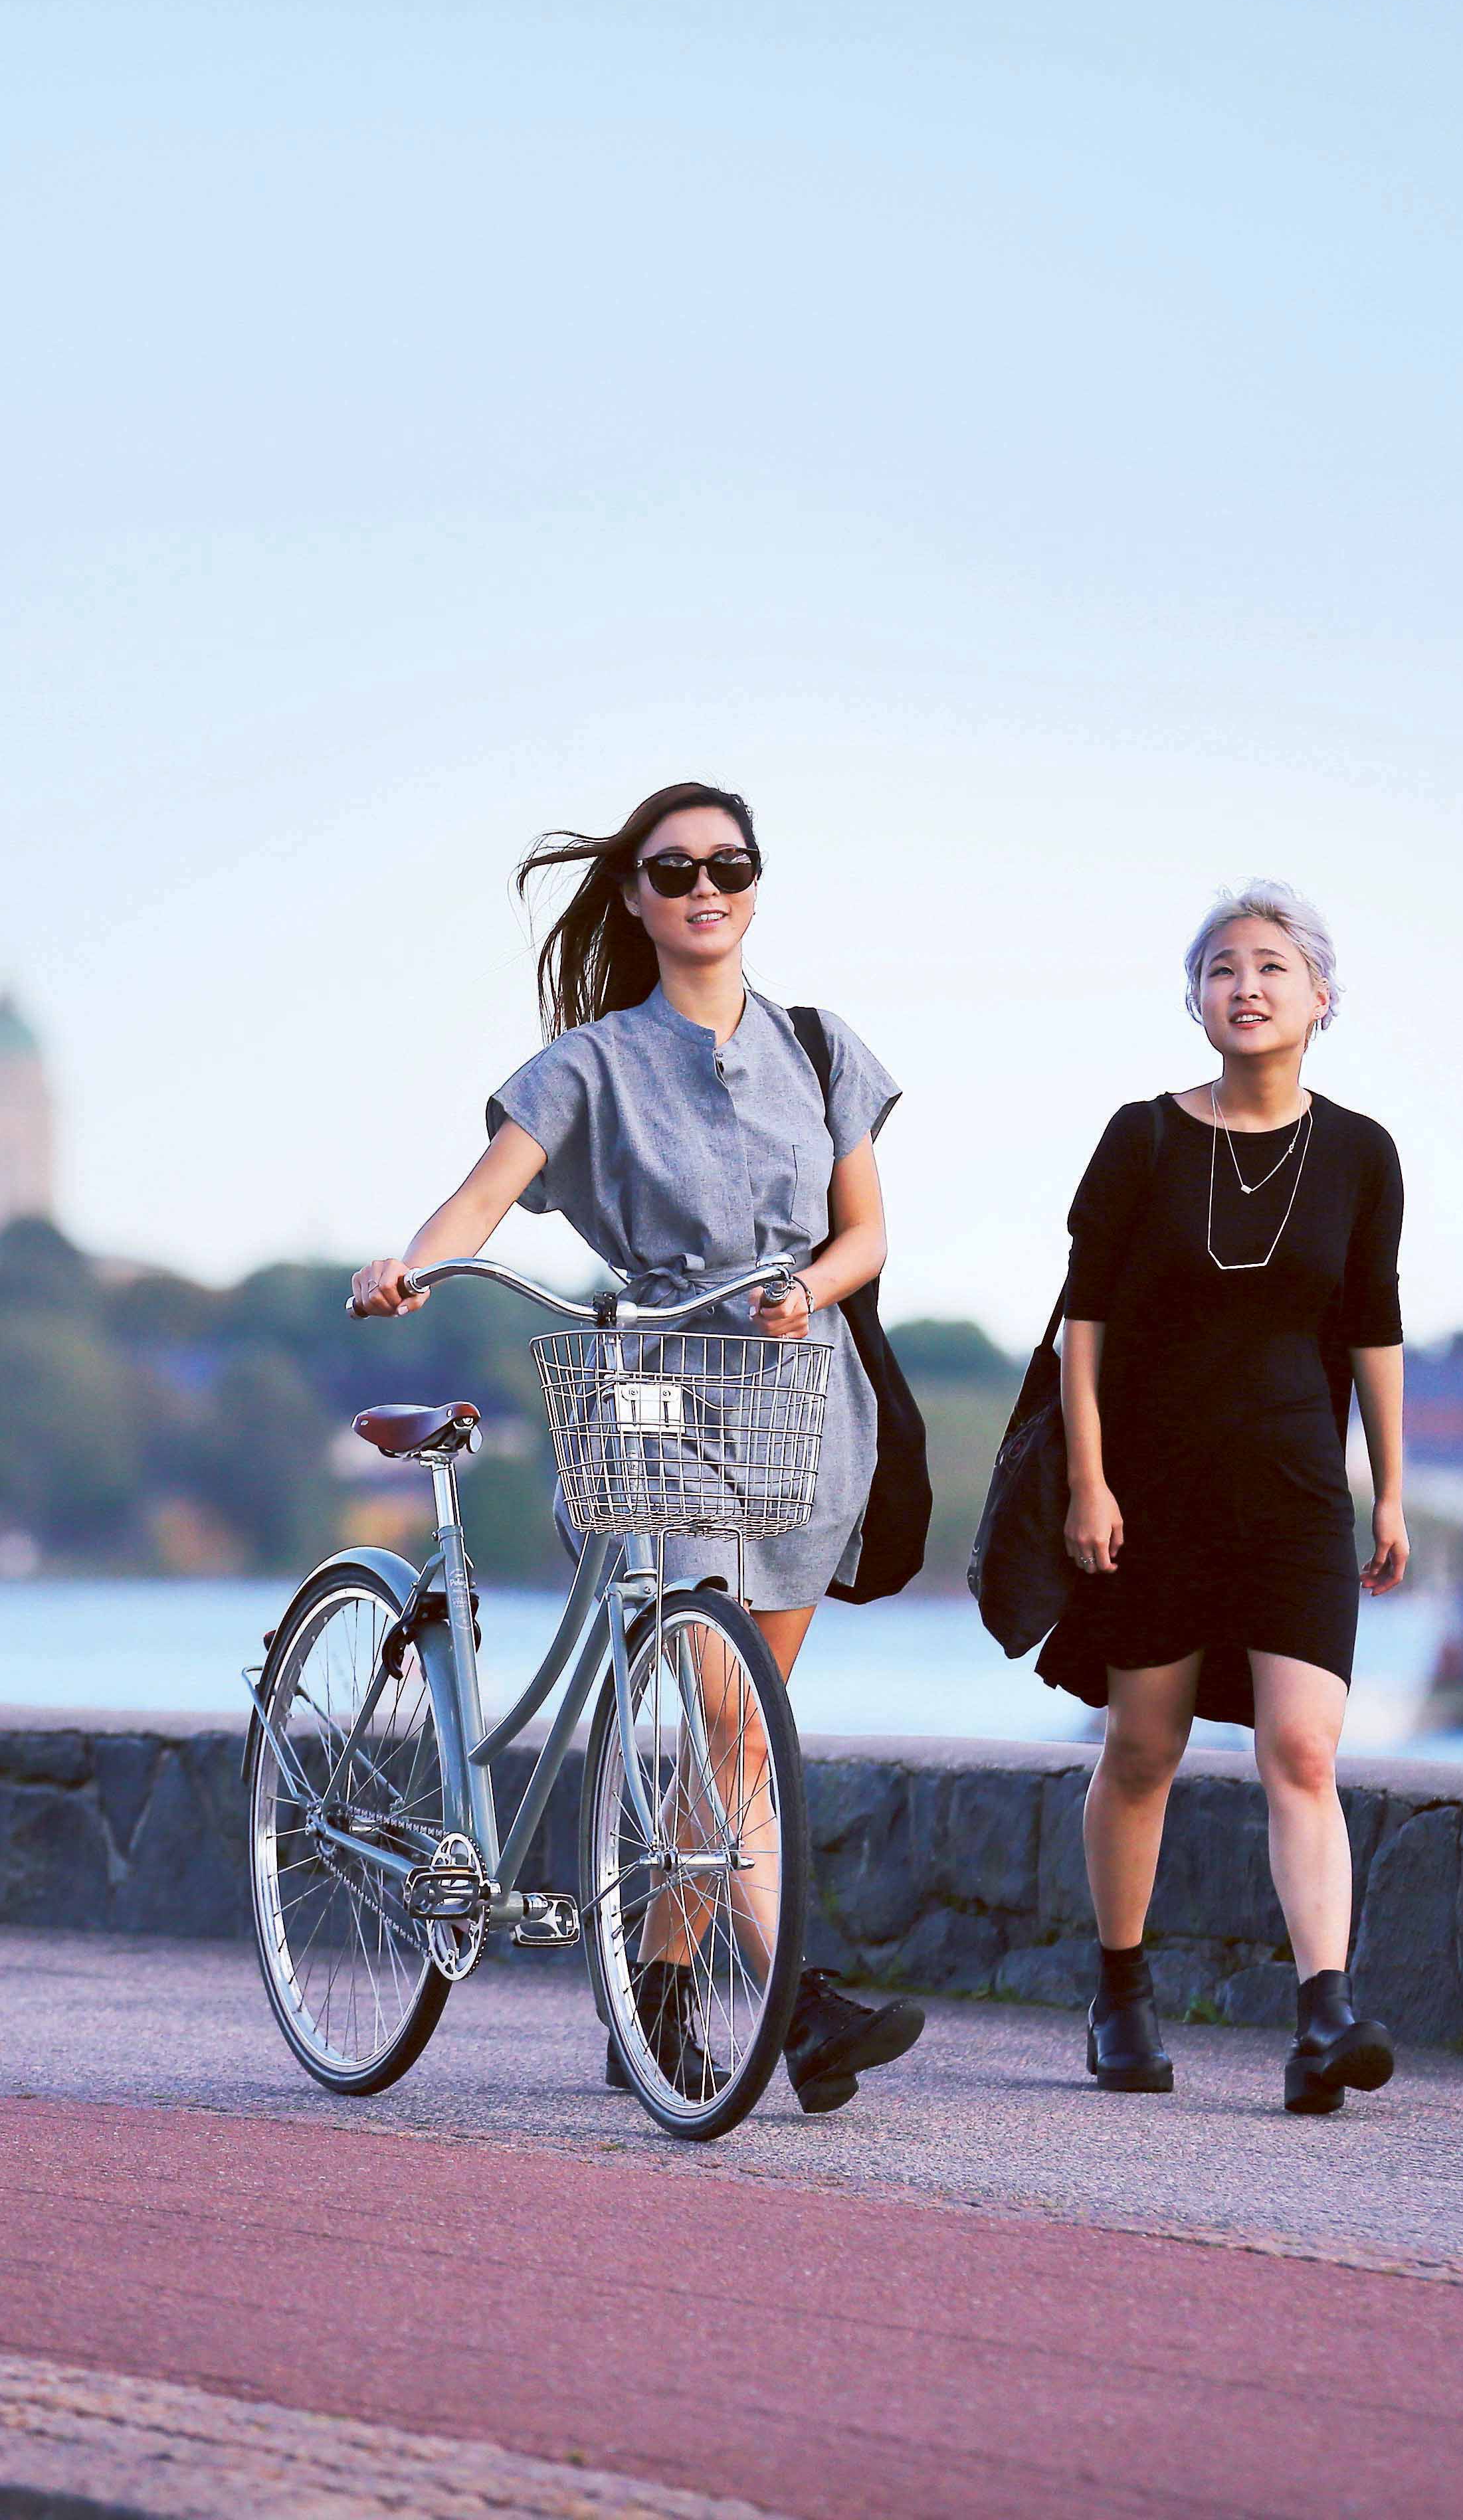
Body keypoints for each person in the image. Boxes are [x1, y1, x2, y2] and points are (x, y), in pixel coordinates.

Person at [351, 780, 927, 2114]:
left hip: (794, 1391)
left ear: (756, 879)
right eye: (674, 870)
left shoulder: (821, 1049)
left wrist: (813, 1291)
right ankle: (804, 2000)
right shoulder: (590, 1064)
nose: (704, 886)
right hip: (653, 1388)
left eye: (730, 863)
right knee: (729, 1709)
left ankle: (654, 1998)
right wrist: (412, 1269)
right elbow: (485, 1194)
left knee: (739, 1739)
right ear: (635, 895)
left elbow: (868, 1235)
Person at [1038, 882, 1409, 2114]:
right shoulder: (1143, 1138)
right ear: (1196, 1001)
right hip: (1153, 1496)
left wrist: (1392, 1491)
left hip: (1300, 1495)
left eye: (1271, 967)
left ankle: (1323, 2015)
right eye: (1221, 970)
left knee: (1304, 1748)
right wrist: (1089, 1480)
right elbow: (1081, 1326)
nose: (1246, 987)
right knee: (1143, 1750)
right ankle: (1121, 1993)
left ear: (1320, 1000)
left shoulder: (1361, 1154)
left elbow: (1374, 1329)